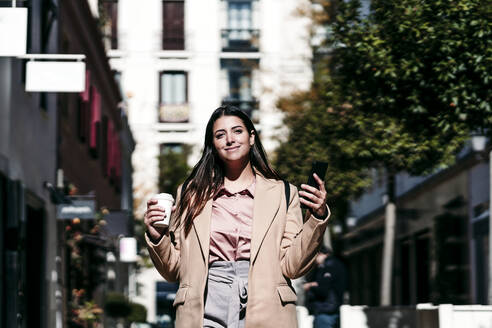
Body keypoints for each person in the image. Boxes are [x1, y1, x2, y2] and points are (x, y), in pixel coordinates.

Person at [144, 105, 331, 328]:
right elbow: (173, 269)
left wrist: (316, 219)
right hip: (205, 303)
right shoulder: (190, 194)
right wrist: (157, 237)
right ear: (213, 145)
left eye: (237, 131)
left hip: (267, 308)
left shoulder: (284, 193)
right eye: (220, 135)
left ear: (252, 137)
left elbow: (293, 266)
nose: (229, 139)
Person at [303, 246, 347, 328]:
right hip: (332, 309)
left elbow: (323, 289)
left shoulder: (329, 266)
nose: (314, 260)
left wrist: (310, 286)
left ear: (322, 254)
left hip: (325, 310)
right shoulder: (336, 264)